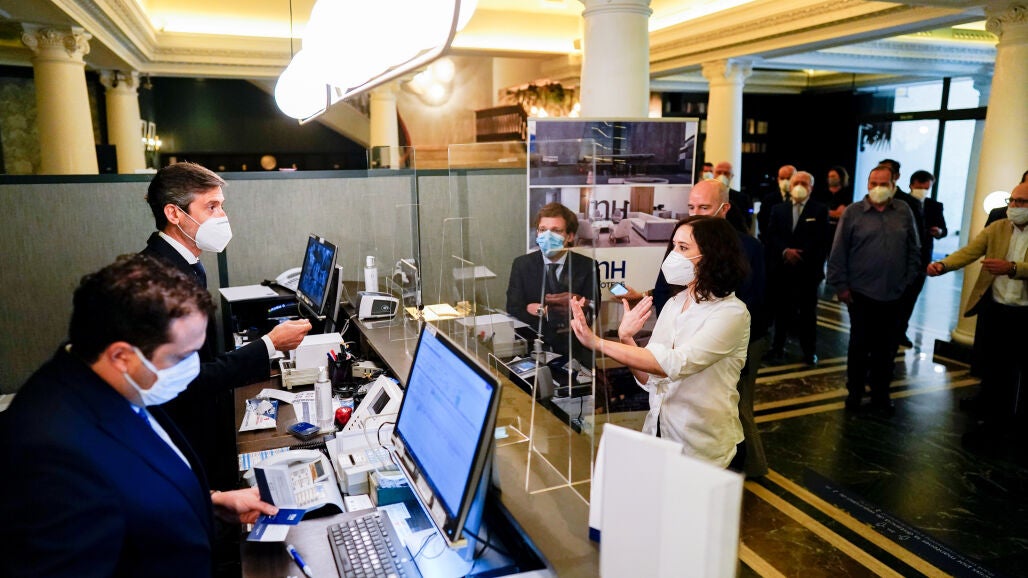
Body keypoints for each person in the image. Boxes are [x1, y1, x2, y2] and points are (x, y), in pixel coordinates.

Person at [0, 254, 278, 577]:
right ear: (121, 356)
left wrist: (211, 502)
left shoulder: (115, 379)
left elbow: (133, 485)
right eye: (182, 356)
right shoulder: (48, 455)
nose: (192, 368)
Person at [141, 162, 312, 490]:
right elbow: (191, 379)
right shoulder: (162, 281)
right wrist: (270, 344)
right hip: (186, 433)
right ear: (174, 214)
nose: (222, 216)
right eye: (211, 207)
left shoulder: (186, 264)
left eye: (221, 205)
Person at [568, 216, 750, 470]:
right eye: (674, 246)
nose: (673, 255)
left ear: (712, 256)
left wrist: (597, 342)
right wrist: (626, 338)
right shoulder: (675, 303)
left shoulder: (731, 313)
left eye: (683, 248)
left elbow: (672, 364)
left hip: (703, 448)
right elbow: (649, 379)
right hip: (660, 435)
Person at [928, 181, 1028, 438]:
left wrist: (1012, 268)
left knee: (1014, 371)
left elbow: (1015, 268)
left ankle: (1007, 421)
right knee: (993, 366)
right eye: (1012, 200)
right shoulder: (998, 227)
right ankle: (990, 418)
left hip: (1023, 314)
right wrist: (943, 265)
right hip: (996, 309)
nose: (1014, 206)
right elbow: (969, 251)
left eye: (1021, 202)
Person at [685, 179, 771, 477]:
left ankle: (748, 469)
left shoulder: (749, 247)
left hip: (735, 344)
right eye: (691, 207)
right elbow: (665, 290)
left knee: (736, 407)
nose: (696, 214)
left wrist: (718, 332)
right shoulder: (682, 240)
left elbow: (753, 301)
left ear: (724, 209)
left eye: (704, 207)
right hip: (690, 343)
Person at [827, 165, 921, 414]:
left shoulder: (903, 210)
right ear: (867, 184)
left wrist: (908, 281)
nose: (877, 188)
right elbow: (838, 251)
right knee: (859, 346)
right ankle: (855, 392)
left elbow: (914, 248)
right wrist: (841, 286)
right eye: (873, 183)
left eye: (883, 183)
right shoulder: (853, 212)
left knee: (886, 349)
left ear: (893, 185)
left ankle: (881, 394)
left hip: (894, 294)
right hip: (860, 293)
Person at [506, 202, 600, 361]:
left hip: (574, 352)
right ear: (537, 233)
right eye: (543, 230)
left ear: (570, 236)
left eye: (556, 231)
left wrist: (543, 311)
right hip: (532, 351)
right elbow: (514, 309)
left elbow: (591, 312)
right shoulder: (521, 264)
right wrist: (562, 313)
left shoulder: (587, 266)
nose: (548, 236)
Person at [765, 170, 831, 365]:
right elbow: (771, 235)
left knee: (807, 314)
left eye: (804, 183)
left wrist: (801, 255)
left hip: (807, 271)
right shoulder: (779, 209)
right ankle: (777, 347)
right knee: (781, 312)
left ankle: (809, 351)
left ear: (811, 187)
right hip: (782, 270)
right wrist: (785, 251)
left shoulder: (820, 210)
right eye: (796, 183)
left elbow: (822, 240)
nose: (799, 186)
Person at [894, 169, 948, 347]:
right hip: (900, 256)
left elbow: (943, 229)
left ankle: (900, 331)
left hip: (922, 258)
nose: (924, 191)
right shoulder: (901, 203)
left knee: (911, 297)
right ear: (912, 185)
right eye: (921, 187)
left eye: (927, 188)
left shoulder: (934, 206)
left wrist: (938, 232)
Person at [812, 164, 853, 248]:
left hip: (838, 232)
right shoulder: (822, 193)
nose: (830, 178)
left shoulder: (846, 194)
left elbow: (840, 214)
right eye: (829, 176)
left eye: (833, 176)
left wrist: (823, 212)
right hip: (821, 231)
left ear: (841, 177)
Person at [713, 160, 753, 234]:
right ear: (713, 174)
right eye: (719, 172)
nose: (722, 176)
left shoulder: (743, 198)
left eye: (726, 173)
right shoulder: (705, 196)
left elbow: (746, 223)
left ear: (731, 176)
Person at [758, 164, 797, 240]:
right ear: (778, 179)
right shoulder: (768, 200)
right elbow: (763, 224)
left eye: (789, 178)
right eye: (782, 178)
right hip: (773, 243)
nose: (785, 181)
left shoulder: (803, 199)